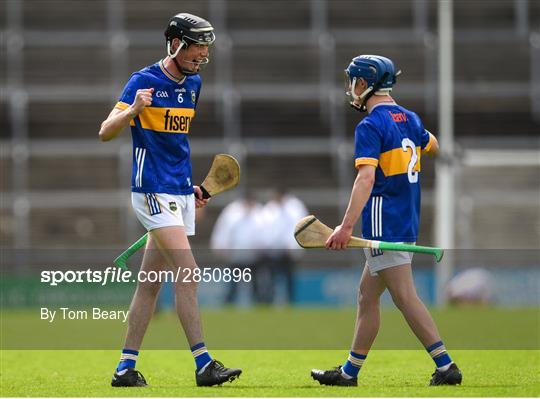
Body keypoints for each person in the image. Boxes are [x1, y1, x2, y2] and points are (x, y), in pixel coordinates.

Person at [98, 13, 241, 388]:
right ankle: (204, 364)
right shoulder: (142, 82)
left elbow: (175, 145)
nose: (201, 56)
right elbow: (105, 132)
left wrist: (188, 188)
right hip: (150, 191)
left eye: (205, 50)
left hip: (177, 191)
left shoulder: (193, 84)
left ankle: (124, 369)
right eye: (196, 48)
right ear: (175, 43)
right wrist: (132, 110)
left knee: (149, 284)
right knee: (189, 273)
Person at [310, 55, 462, 387]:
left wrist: (345, 227)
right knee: (367, 295)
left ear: (363, 84)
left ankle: (446, 365)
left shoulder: (370, 125)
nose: (351, 88)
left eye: (353, 82)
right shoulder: (410, 118)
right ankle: (349, 373)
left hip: (383, 223)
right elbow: (431, 144)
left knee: (405, 296)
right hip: (405, 217)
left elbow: (365, 179)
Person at [210, 194, 265, 304]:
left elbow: (266, 233)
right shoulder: (232, 211)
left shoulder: (260, 213)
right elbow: (224, 230)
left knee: (256, 285)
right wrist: (220, 246)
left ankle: (259, 303)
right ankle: (229, 303)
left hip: (255, 257)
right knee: (232, 285)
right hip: (235, 256)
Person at [260, 188, 308, 303]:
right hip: (272, 251)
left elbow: (301, 225)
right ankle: (269, 301)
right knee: (270, 278)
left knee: (289, 278)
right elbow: (264, 228)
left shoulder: (295, 207)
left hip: (288, 251)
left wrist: (293, 245)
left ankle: (290, 301)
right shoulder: (269, 208)